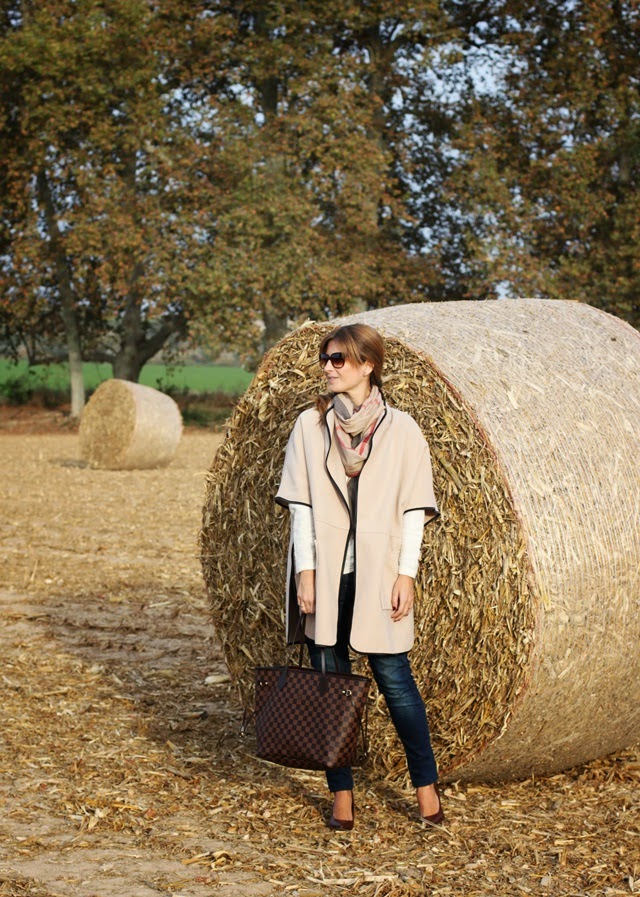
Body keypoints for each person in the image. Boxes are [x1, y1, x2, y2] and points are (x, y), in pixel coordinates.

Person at [275, 322, 443, 831]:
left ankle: (426, 789)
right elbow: (301, 506)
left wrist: (405, 574)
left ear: (367, 365)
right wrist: (305, 573)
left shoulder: (403, 430)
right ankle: (342, 796)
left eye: (338, 360)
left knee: (396, 681)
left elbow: (413, 510)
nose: (328, 367)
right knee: (331, 688)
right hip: (325, 575)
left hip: (377, 575)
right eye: (325, 359)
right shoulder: (310, 426)